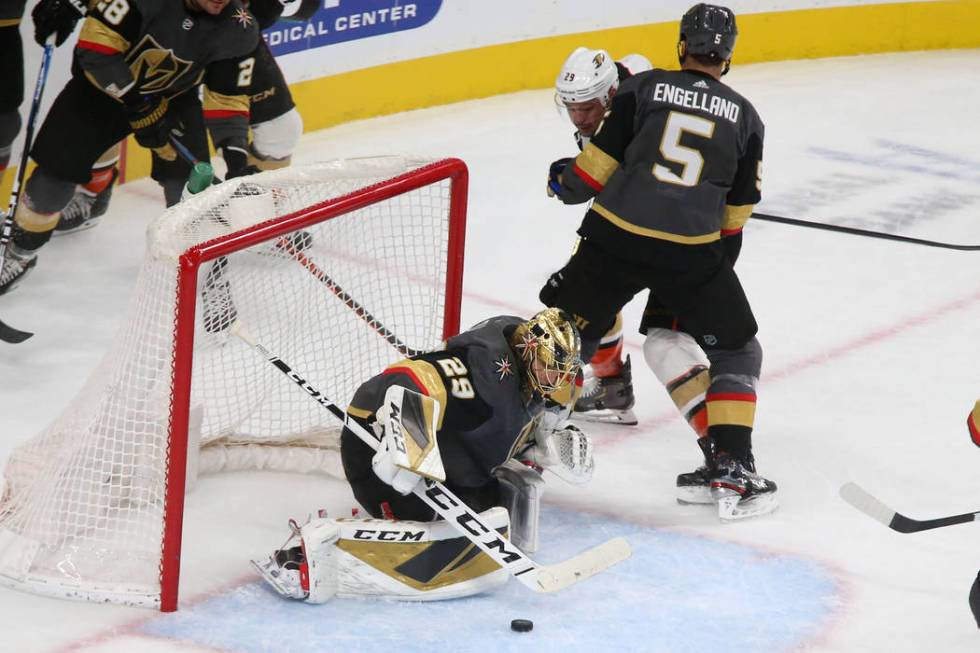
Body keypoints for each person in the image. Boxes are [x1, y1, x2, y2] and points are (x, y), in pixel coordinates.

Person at [541, 3, 776, 520]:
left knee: (560, 333)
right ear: (728, 56)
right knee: (735, 350)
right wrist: (709, 273)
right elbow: (735, 218)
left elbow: (588, 177)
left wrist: (562, 181)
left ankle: (506, 434)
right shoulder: (748, 117)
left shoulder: (641, 90)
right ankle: (732, 462)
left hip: (613, 241)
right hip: (690, 254)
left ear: (681, 46)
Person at [252, 308, 596, 603]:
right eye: (555, 369)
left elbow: (520, 428)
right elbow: (404, 378)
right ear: (528, 351)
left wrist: (548, 446)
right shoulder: (484, 373)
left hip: (449, 451)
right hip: (373, 440)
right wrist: (408, 438)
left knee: (492, 504)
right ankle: (302, 556)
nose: (562, 380)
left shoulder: (538, 382)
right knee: (420, 509)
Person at [0, 0, 259, 295]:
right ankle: (20, 253)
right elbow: (96, 51)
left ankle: (205, 273)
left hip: (171, 100)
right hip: (99, 93)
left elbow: (228, 100)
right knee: (51, 184)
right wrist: (138, 104)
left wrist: (237, 157)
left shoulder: (239, 26)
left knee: (191, 191)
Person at [53, 0, 313, 234]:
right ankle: (94, 190)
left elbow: (306, 8)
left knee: (281, 129)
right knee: (111, 101)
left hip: (232, 33)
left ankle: (258, 220)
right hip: (167, 22)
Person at [545, 47, 652, 426]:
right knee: (596, 293)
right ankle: (611, 385)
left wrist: (565, 178)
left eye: (587, 108)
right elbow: (637, 61)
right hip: (641, 208)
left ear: (609, 96)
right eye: (572, 108)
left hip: (654, 222)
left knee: (583, 296)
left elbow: (585, 184)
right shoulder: (633, 76)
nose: (579, 117)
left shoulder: (630, 113)